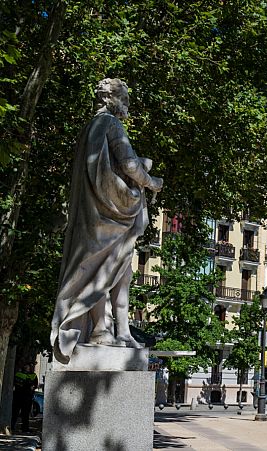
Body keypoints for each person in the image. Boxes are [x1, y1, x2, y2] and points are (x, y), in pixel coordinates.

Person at [50, 78, 163, 364]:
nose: (126, 105)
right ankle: (106, 330)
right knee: (113, 271)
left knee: (98, 272)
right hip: (112, 214)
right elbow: (128, 165)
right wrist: (151, 181)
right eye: (124, 99)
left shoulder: (88, 129)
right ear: (111, 98)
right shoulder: (111, 125)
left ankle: (106, 330)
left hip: (90, 215)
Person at [11, 363, 39, 433]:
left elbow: (35, 385)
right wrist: (29, 385)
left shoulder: (33, 375)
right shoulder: (18, 374)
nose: (27, 368)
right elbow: (17, 383)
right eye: (26, 366)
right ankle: (12, 426)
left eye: (28, 366)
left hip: (27, 397)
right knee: (15, 412)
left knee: (25, 414)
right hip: (18, 396)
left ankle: (25, 428)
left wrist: (31, 386)